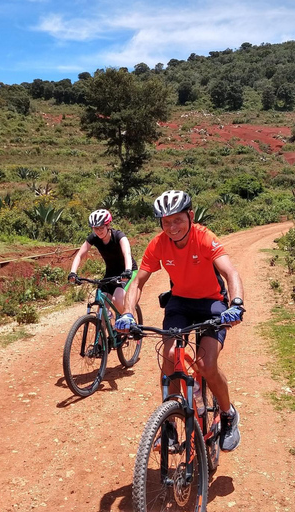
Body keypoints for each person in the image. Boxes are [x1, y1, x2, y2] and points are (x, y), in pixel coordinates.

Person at [115, 190, 245, 452]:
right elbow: (138, 282)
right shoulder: (159, 243)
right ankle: (170, 424)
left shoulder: (205, 238)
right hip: (180, 303)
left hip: (212, 304)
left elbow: (230, 272)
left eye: (178, 221)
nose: (172, 228)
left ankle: (229, 414)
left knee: (206, 365)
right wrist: (128, 313)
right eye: (166, 222)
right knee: (172, 357)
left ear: (191, 216)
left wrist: (237, 304)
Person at [68, 209, 137, 314]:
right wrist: (73, 272)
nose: (99, 231)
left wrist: (127, 271)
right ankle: (105, 328)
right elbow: (79, 255)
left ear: (108, 225)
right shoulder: (94, 238)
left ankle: (128, 322)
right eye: (96, 228)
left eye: (101, 228)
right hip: (110, 274)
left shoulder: (118, 236)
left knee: (117, 299)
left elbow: (127, 254)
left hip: (128, 271)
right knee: (102, 308)